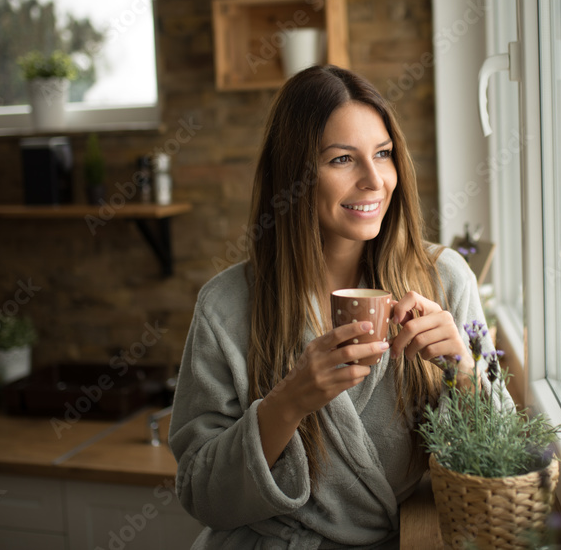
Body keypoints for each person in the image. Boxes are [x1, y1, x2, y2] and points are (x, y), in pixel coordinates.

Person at [169, 65, 489, 549]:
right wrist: (289, 401)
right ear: (294, 174)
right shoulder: (227, 305)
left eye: (383, 155)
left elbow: (497, 464)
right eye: (342, 160)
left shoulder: (444, 281)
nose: (373, 180)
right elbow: (201, 491)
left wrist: (464, 372)